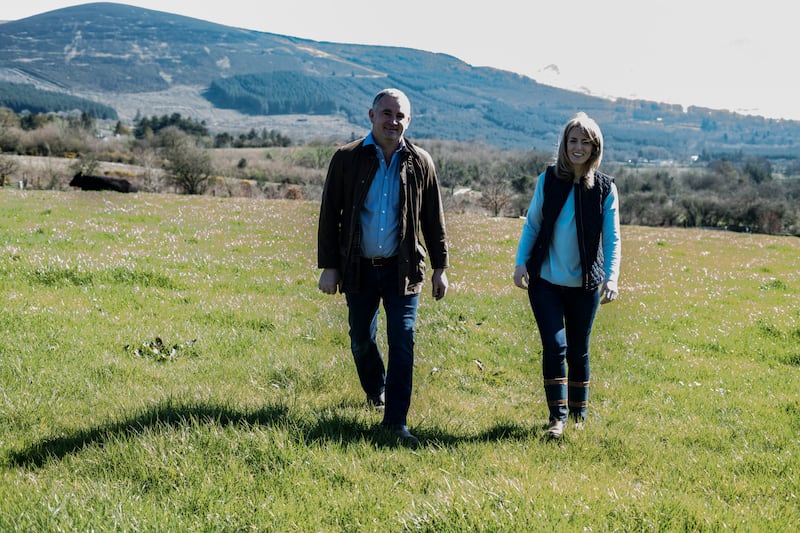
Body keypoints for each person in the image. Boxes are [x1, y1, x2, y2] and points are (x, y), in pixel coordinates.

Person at [317, 88, 449, 448]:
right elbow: (330, 214)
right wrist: (329, 266)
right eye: (387, 113)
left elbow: (433, 219)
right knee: (361, 337)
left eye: (400, 115)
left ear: (409, 120)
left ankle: (396, 422)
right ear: (371, 115)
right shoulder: (347, 158)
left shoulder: (421, 162)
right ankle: (376, 389)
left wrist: (440, 267)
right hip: (358, 267)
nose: (393, 121)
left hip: (402, 269)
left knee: (403, 341)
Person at [513, 112, 621, 439]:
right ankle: (557, 418)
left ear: (595, 147)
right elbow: (532, 224)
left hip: (584, 285)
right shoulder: (548, 180)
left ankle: (578, 415)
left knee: (578, 350)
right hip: (545, 281)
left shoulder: (605, 189)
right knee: (555, 345)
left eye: (585, 142)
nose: (578, 147)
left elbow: (612, 238)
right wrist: (520, 263)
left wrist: (611, 277)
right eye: (573, 140)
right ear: (564, 144)